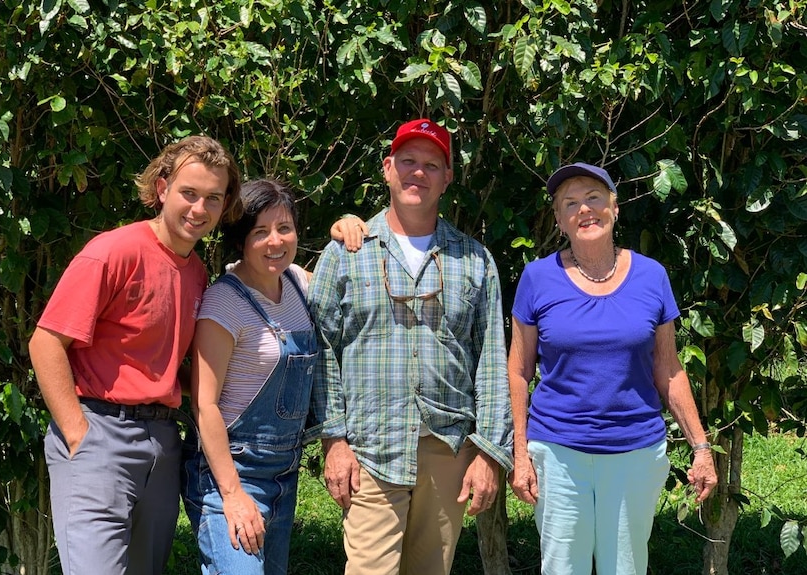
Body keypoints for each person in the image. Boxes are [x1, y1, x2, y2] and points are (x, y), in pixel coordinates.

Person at [307, 119, 514, 575]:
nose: (418, 173)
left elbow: (493, 363)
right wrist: (333, 440)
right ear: (387, 169)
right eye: (408, 162)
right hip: (370, 446)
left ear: (447, 177)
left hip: (448, 448)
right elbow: (320, 348)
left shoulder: (474, 259)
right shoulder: (347, 251)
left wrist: (489, 455)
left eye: (431, 165)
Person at [28, 135, 241, 575]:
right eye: (189, 193)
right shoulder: (113, 252)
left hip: (163, 444)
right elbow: (46, 341)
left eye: (213, 199)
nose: (199, 209)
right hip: (99, 435)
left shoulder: (198, 273)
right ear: (162, 189)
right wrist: (77, 434)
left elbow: (162, 366)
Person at [507, 162, 718, 574]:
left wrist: (701, 447)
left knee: (625, 567)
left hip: (635, 453)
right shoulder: (536, 279)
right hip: (557, 450)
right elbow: (518, 370)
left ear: (614, 208)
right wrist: (519, 453)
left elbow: (669, 369)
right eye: (570, 203)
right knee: (562, 568)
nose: (584, 209)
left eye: (593, 198)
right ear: (559, 219)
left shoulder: (652, 276)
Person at [181, 179, 367, 575]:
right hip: (230, 475)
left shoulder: (298, 282)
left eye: (284, 228)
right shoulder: (223, 303)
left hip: (285, 472)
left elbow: (346, 283)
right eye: (259, 232)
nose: (275, 241)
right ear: (240, 240)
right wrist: (232, 495)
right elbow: (204, 405)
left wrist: (345, 226)